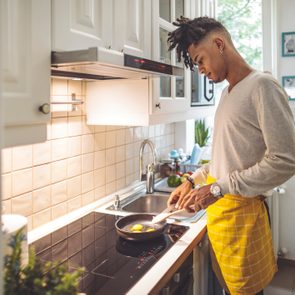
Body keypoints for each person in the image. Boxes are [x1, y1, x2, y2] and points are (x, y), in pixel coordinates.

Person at [167, 16, 295, 295]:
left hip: (243, 220)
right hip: (222, 218)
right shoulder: (227, 94)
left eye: (200, 59)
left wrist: (217, 188)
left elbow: (286, 160)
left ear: (219, 43)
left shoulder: (262, 86)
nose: (200, 69)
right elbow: (225, 156)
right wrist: (192, 180)